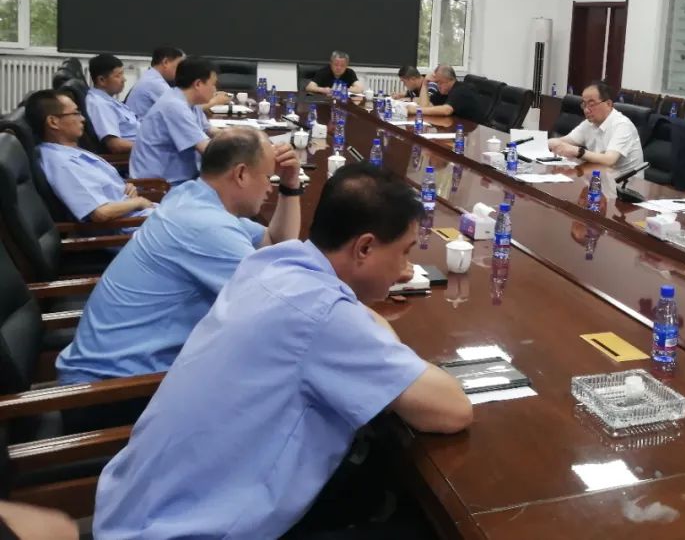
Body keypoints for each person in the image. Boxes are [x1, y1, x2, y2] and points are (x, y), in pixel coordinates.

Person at [93, 163, 472, 539]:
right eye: (404, 252)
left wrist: (373, 336)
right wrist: (386, 346)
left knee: (366, 481)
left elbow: (356, 318)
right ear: (365, 247)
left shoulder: (273, 263)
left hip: (136, 509)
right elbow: (452, 410)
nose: (405, 270)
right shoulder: (322, 315)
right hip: (187, 531)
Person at [56, 129, 302, 422]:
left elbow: (277, 243)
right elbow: (281, 310)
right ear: (240, 174)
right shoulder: (206, 227)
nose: (269, 188)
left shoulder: (189, 196)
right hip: (110, 394)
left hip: (106, 375)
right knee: (282, 390)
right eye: (268, 178)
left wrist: (290, 186)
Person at [27, 89, 156, 224]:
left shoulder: (69, 150)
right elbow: (100, 213)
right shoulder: (61, 163)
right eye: (75, 113)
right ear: (53, 122)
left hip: (141, 216)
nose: (83, 119)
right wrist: (138, 202)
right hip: (133, 226)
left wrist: (125, 187)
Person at [129, 56, 217, 184]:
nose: (215, 90)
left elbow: (209, 130)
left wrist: (236, 134)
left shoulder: (191, 102)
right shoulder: (174, 106)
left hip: (180, 178)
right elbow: (206, 149)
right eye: (213, 84)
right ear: (198, 84)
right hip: (159, 185)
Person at [547, 81, 644, 173]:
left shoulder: (622, 125)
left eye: (591, 104)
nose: (586, 110)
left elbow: (609, 160)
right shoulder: (589, 123)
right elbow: (563, 141)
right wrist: (544, 143)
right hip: (600, 176)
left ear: (608, 104)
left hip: (626, 182)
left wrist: (578, 152)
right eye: (584, 105)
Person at [85, 53, 140, 154]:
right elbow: (115, 145)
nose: (124, 79)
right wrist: (149, 146)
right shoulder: (100, 104)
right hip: (137, 156)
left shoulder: (107, 99)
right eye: (118, 75)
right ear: (102, 80)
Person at [125, 46, 184, 118]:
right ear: (165, 62)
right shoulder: (154, 83)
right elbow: (179, 110)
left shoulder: (151, 76)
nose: (181, 70)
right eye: (179, 66)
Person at [415, 64, 486, 122]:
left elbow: (446, 110)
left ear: (448, 79)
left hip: (472, 130)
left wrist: (416, 110)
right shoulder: (443, 92)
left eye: (439, 82)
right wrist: (425, 83)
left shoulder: (461, 90)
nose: (437, 86)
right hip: (456, 126)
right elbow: (425, 106)